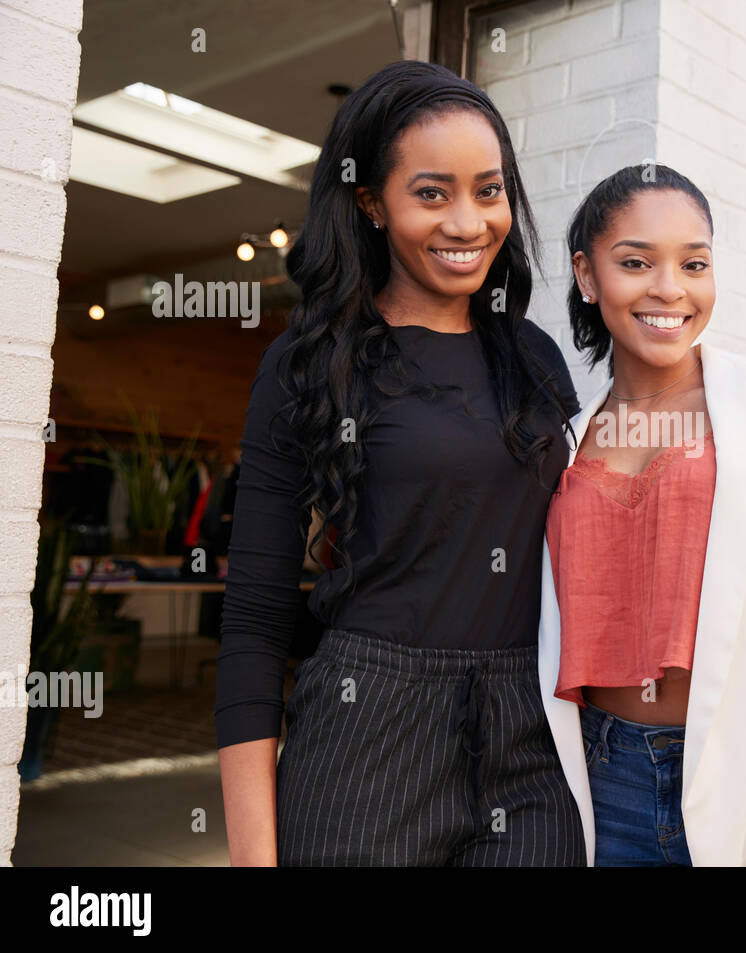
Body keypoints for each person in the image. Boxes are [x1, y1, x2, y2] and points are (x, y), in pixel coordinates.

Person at [215, 61, 586, 866]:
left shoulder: (533, 359)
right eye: (431, 193)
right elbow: (252, 622)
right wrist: (251, 856)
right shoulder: (308, 364)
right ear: (369, 202)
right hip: (367, 730)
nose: (468, 221)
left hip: (533, 737)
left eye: (488, 192)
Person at [537, 164, 746, 866]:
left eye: (694, 263)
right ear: (588, 275)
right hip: (597, 787)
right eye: (636, 262)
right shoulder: (562, 441)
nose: (670, 288)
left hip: (743, 790)